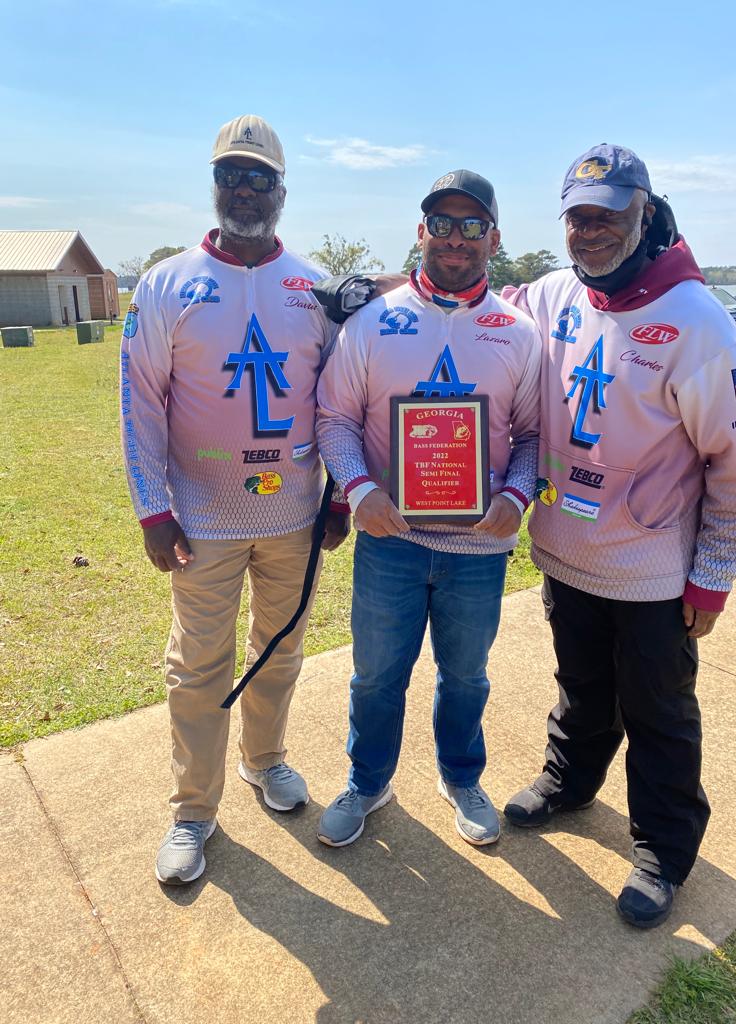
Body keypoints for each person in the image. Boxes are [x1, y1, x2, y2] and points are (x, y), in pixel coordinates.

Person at [499, 144, 736, 927]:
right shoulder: (554, 295)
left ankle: (664, 849)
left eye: (610, 215)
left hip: (652, 571)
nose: (592, 232)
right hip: (566, 551)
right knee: (580, 684)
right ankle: (570, 780)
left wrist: (713, 574)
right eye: (578, 217)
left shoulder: (697, 322)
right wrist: (374, 292)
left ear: (645, 215)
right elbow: (482, 302)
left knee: (657, 709)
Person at [120, 114, 349, 885]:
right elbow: (142, 402)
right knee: (197, 667)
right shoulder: (166, 282)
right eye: (231, 175)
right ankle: (193, 810)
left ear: (283, 190)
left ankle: (266, 760)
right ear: (214, 185)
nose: (244, 189)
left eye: (259, 177)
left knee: (280, 650)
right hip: (202, 520)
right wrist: (154, 509)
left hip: (294, 516)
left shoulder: (314, 287)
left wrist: (342, 497)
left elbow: (341, 402)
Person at [314, 170, 541, 848]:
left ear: (493, 239)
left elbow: (531, 437)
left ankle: (461, 776)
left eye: (472, 225)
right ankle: (367, 780)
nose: (455, 237)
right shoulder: (374, 323)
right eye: (441, 222)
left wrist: (515, 495)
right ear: (421, 232)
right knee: (377, 675)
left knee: (466, 675)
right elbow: (334, 418)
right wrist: (359, 489)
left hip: (478, 551)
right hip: (393, 540)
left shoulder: (517, 332)